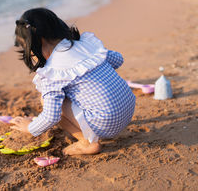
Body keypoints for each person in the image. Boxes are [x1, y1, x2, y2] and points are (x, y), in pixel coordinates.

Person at [10, 8, 136, 155]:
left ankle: (86, 142)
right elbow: (118, 59)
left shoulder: (53, 72)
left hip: (106, 125)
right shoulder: (85, 45)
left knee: (48, 101)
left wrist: (30, 128)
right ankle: (97, 120)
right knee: (71, 92)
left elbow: (51, 116)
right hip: (128, 110)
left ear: (38, 42)